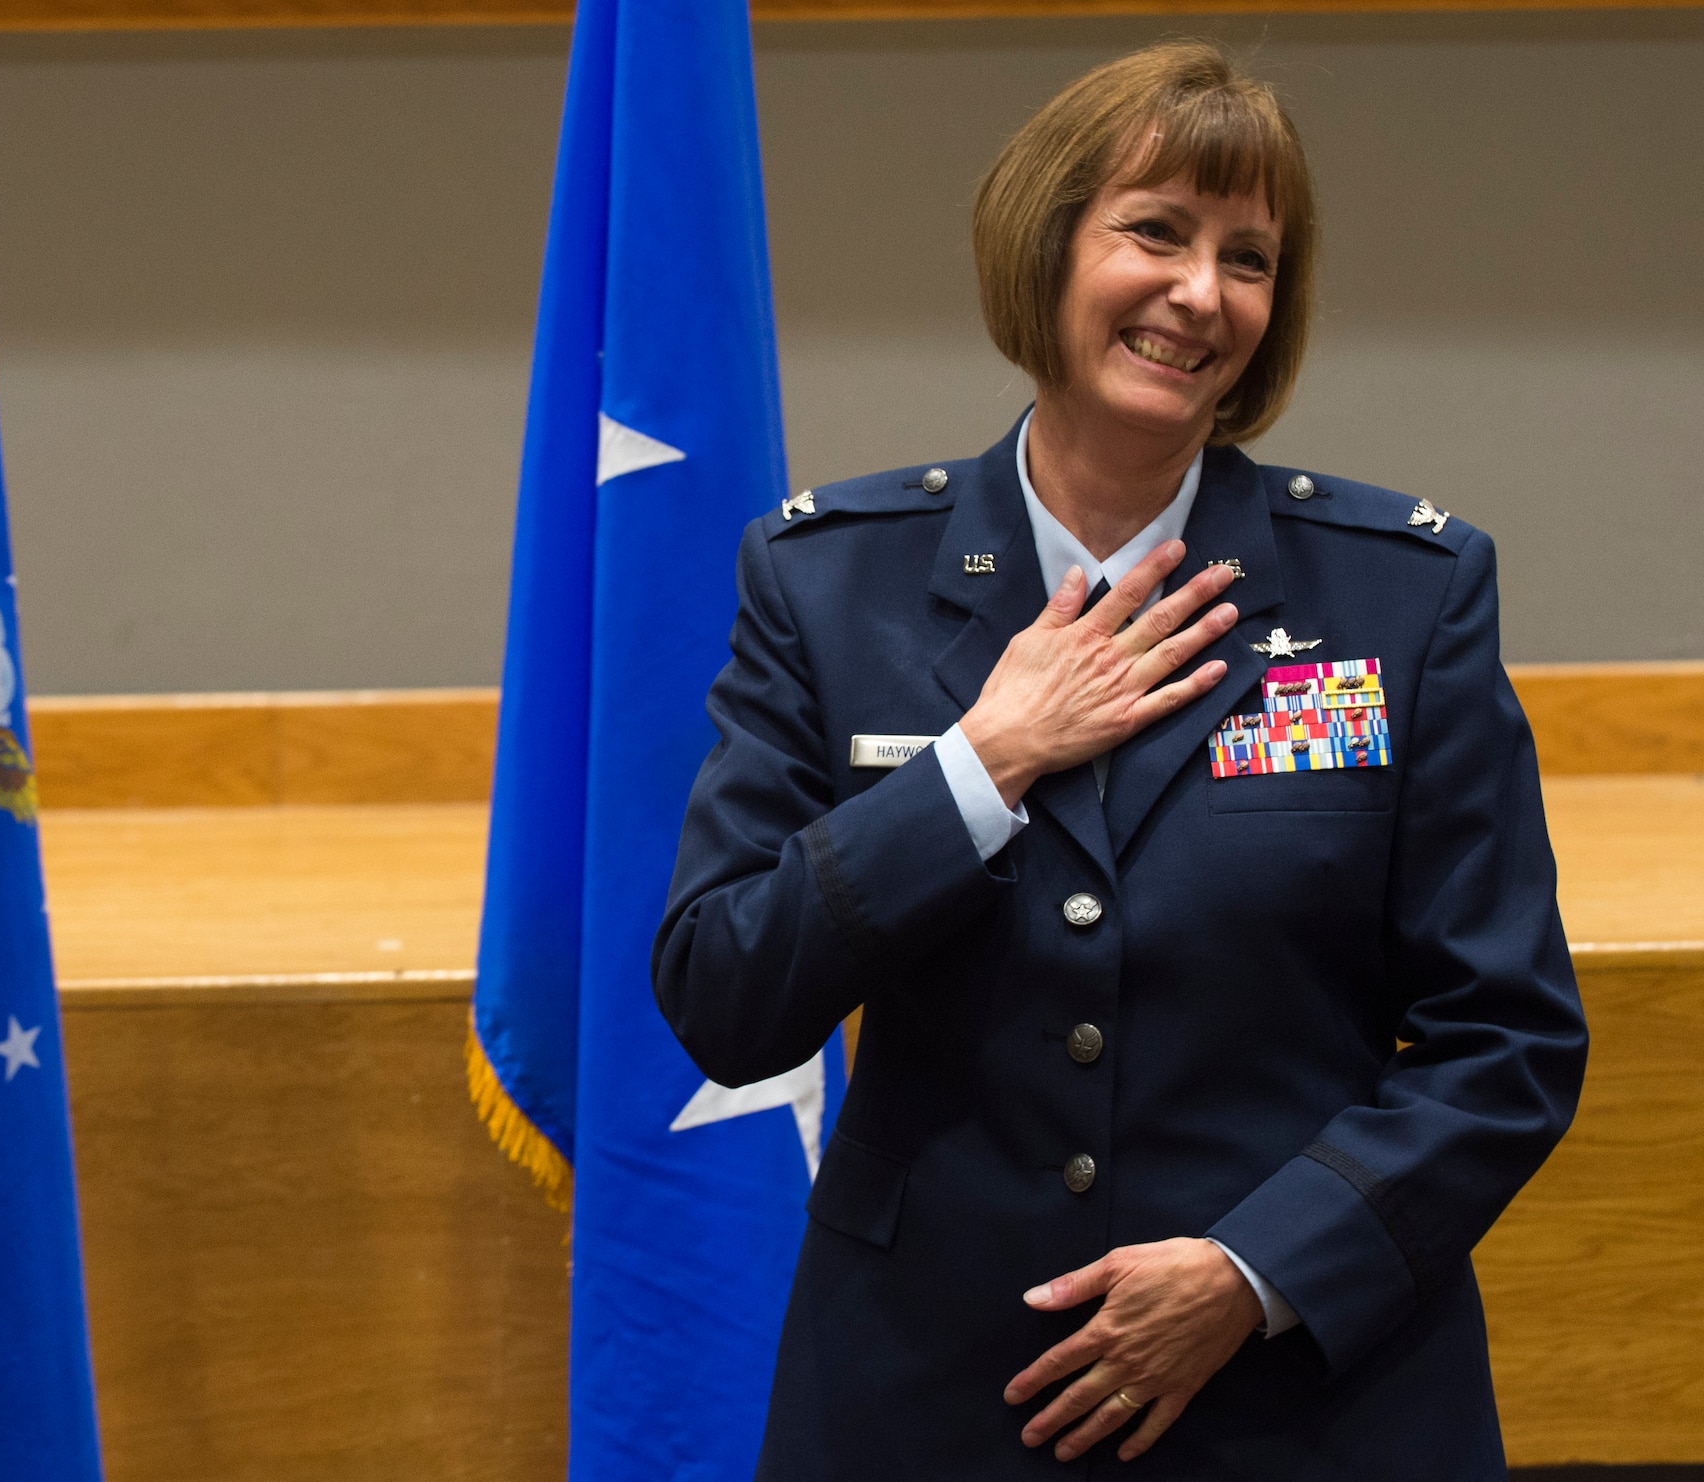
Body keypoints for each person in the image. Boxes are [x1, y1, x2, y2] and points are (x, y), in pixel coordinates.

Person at [651, 40, 1587, 1479]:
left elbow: (1507, 1040)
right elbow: (723, 993)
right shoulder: (831, 585)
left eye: (1249, 258)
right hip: (932, 1397)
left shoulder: (1401, 595)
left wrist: (1250, 1273)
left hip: (1300, 1399)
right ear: (1046, 248)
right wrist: (981, 762)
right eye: (1154, 231)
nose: (1201, 293)